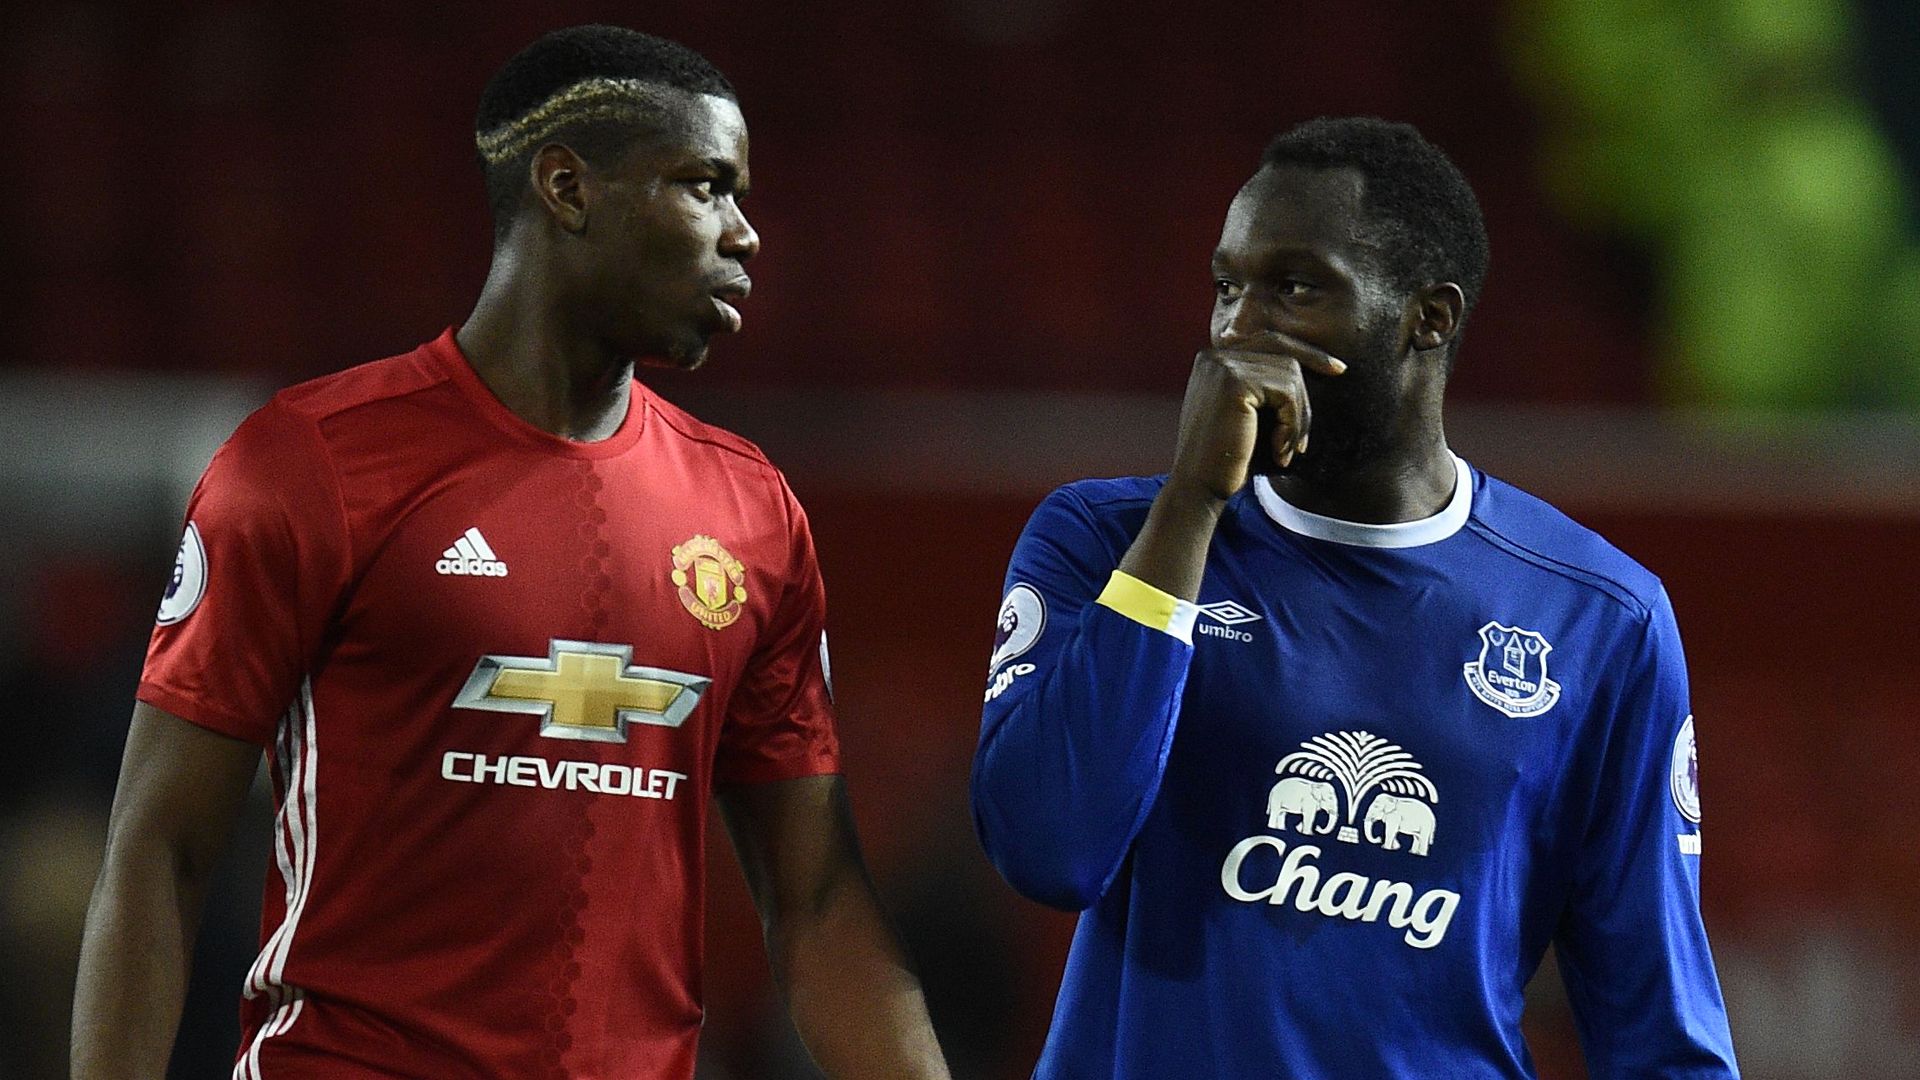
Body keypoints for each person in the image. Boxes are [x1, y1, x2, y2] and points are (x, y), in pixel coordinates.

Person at [72, 25, 949, 1080]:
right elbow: (158, 852)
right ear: (567, 187)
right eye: (707, 186)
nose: (747, 234)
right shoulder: (308, 465)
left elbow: (816, 904)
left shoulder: (752, 513)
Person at [971, 116, 1739, 1078]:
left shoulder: (1600, 619)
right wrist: (1194, 502)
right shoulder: (1103, 539)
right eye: (1227, 287)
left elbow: (1658, 1027)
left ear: (1430, 317)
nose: (1240, 331)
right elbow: (1049, 849)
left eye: (1294, 288)